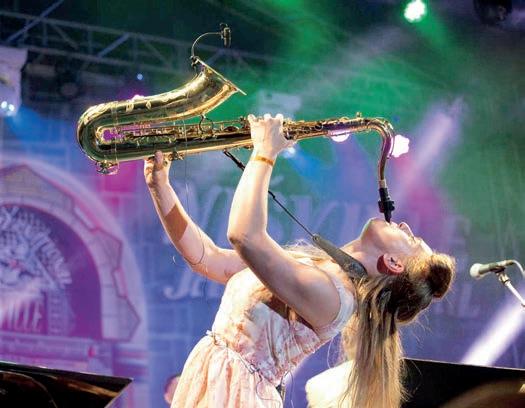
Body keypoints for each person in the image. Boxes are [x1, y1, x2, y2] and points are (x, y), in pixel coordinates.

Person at [144, 114, 455, 408]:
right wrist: (160, 185)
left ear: (394, 263)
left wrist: (265, 153)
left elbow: (244, 235)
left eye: (412, 240)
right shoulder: (315, 265)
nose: (405, 226)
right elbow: (209, 260)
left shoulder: (336, 299)